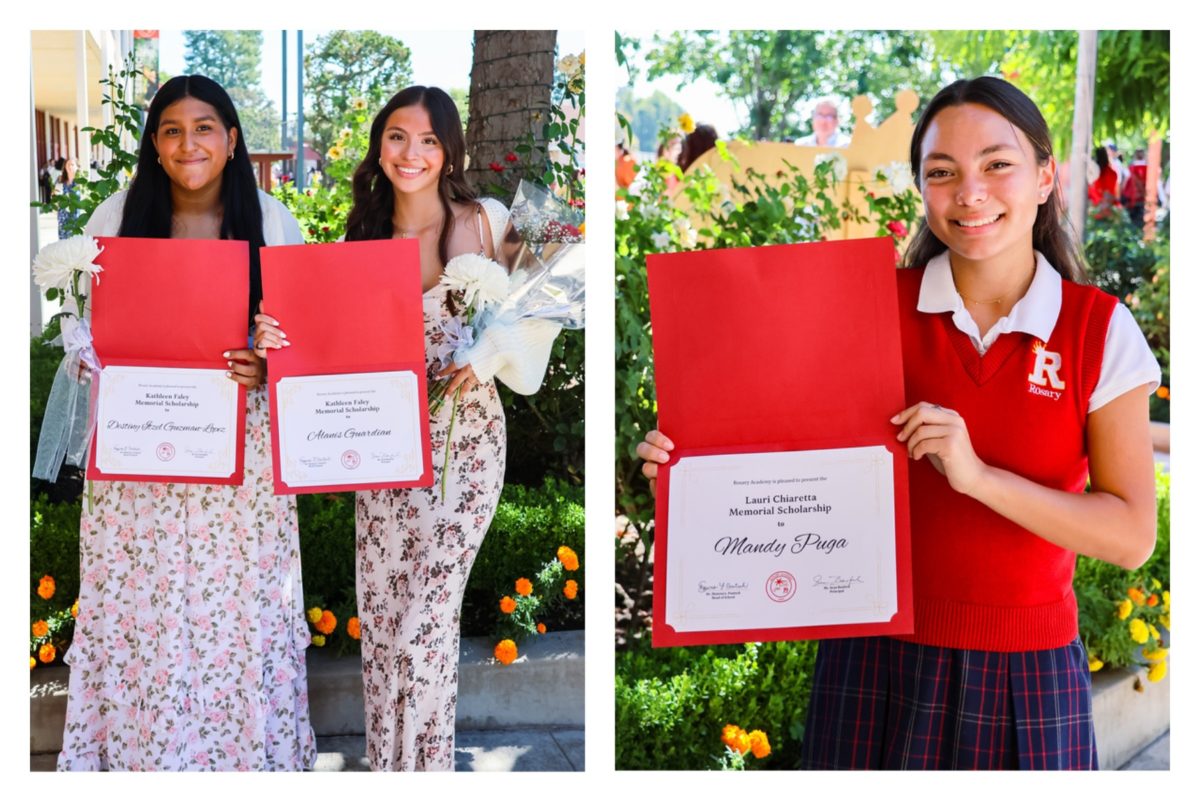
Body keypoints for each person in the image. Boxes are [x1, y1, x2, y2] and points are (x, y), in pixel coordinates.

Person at [638, 76, 1160, 770]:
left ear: (1044, 176)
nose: (969, 192)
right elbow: (778, 459)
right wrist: (690, 474)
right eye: (941, 173)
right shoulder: (866, 309)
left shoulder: (1098, 329)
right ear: (920, 187)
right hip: (871, 662)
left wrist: (978, 478)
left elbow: (1130, 536)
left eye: (997, 164)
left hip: (1026, 675)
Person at [256, 85, 557, 771]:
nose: (412, 152)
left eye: (428, 139)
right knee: (387, 629)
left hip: (467, 450)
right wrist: (277, 334)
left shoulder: (487, 220)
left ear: (449, 148)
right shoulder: (361, 235)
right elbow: (326, 345)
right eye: (397, 136)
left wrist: (487, 357)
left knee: (425, 627)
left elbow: (547, 302)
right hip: (384, 460)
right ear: (379, 146)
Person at [58, 74, 316, 771]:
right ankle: (145, 759)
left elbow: (301, 337)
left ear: (232, 140)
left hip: (241, 463)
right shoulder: (115, 218)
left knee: (230, 615)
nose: (188, 142)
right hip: (140, 461)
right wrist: (88, 351)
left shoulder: (270, 219)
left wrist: (266, 366)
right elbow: (79, 325)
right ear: (154, 142)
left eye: (204, 126)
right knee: (144, 614)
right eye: (171, 129)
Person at [56, 157, 82, 238]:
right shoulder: (60, 181)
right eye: (68, 165)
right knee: (63, 243)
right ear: (65, 167)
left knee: (74, 242)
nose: (70, 167)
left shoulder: (80, 182)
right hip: (62, 217)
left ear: (77, 167)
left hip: (76, 217)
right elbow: (55, 197)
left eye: (72, 164)